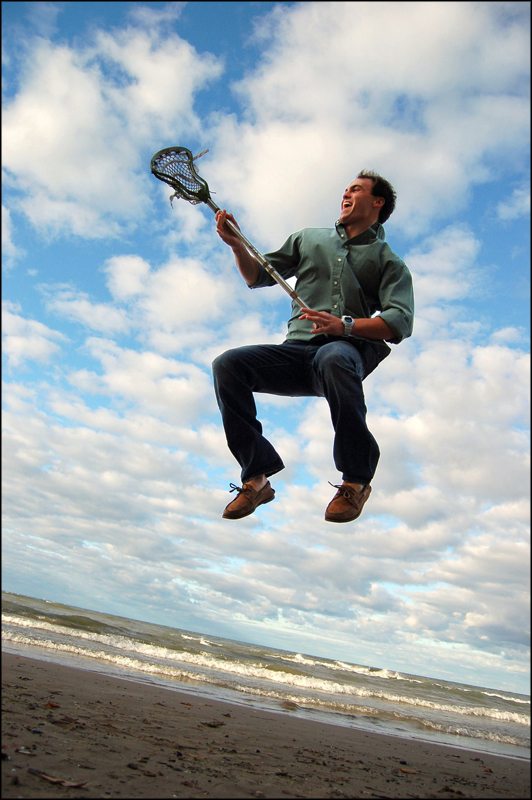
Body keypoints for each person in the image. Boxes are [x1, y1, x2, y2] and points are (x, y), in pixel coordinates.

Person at [212, 170, 414, 523]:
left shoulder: (389, 262)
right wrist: (236, 245)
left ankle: (355, 481)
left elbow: (399, 322)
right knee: (228, 364)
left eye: (356, 189)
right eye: (345, 189)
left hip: (346, 352)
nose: (346, 193)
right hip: (297, 353)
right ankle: (256, 478)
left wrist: (344, 325)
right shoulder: (307, 239)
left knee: (334, 356)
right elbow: (257, 277)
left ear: (377, 202)